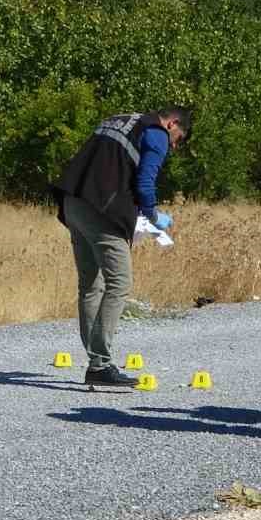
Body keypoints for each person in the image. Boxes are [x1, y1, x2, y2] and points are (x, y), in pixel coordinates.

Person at [51, 107, 191, 387]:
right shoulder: (156, 134)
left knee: (91, 284)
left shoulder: (120, 118)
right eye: (178, 140)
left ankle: (95, 361)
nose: (173, 146)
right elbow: (145, 183)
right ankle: (100, 365)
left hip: (72, 202)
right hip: (101, 211)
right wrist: (152, 215)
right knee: (119, 282)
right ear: (172, 123)